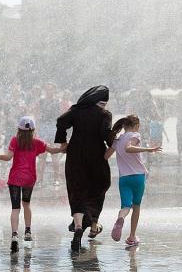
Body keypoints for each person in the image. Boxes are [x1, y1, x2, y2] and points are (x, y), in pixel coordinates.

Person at [0, 116, 67, 253]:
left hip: (15, 179)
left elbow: (7, 157)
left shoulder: (15, 141)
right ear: (33, 130)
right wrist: (63, 148)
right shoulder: (37, 142)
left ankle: (14, 235)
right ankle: (28, 232)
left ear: (19, 129)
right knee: (27, 204)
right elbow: (52, 151)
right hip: (29, 178)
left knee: (15, 208)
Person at [55, 85, 113, 252]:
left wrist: (63, 142)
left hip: (75, 155)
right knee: (99, 187)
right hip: (96, 157)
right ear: (102, 102)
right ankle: (94, 223)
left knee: (77, 189)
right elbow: (105, 135)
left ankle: (79, 225)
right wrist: (114, 139)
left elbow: (60, 122)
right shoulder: (104, 115)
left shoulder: (77, 110)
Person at [104, 115, 161, 247]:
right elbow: (128, 148)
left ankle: (121, 218)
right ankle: (131, 237)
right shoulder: (135, 135)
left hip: (124, 179)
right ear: (136, 125)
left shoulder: (117, 140)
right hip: (138, 177)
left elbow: (106, 156)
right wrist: (149, 149)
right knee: (136, 207)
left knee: (125, 206)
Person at [36, 82, 62, 185]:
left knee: (55, 155)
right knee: (42, 155)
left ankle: (56, 179)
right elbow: (38, 115)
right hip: (43, 128)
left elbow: (60, 117)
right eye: (47, 89)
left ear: (54, 90)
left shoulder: (57, 101)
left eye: (51, 89)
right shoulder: (41, 101)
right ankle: (40, 179)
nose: (49, 91)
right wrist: (36, 130)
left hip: (53, 128)